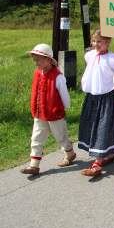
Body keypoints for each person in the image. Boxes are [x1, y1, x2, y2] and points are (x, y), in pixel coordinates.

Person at [20, 44, 76, 175]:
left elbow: (64, 94)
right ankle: (34, 165)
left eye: (38, 60)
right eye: (35, 60)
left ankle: (70, 153)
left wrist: (66, 106)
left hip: (54, 113)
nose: (36, 63)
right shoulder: (38, 73)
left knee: (61, 137)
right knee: (36, 138)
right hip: (40, 113)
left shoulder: (58, 76)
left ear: (48, 60)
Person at [78, 30, 114, 177]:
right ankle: (108, 155)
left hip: (107, 97)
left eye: (100, 42)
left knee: (102, 127)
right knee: (92, 126)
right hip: (92, 96)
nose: (96, 44)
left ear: (108, 42)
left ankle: (97, 163)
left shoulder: (113, 59)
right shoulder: (89, 55)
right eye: (94, 41)